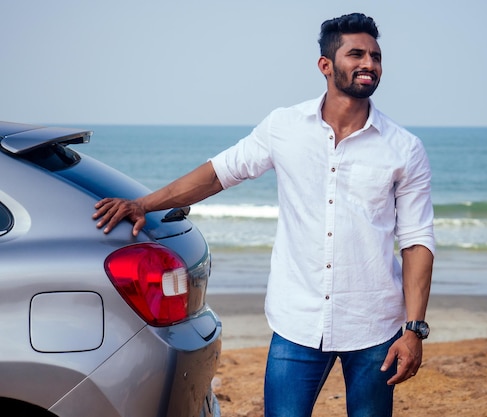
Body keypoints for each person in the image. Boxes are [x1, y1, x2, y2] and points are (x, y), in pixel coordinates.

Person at [93, 12, 435, 417]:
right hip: (297, 322)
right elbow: (219, 173)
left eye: (376, 56)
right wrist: (145, 204)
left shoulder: (404, 148)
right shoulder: (284, 127)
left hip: (374, 326)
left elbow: (416, 241)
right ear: (325, 65)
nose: (370, 64)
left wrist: (413, 330)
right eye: (356, 54)